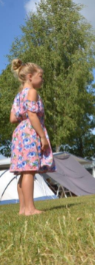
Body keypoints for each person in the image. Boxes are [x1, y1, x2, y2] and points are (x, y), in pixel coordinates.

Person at [9, 58, 55, 216]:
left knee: (23, 171)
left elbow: (13, 118)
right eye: (40, 76)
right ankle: (30, 209)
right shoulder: (32, 92)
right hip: (30, 131)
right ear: (30, 76)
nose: (42, 79)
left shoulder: (19, 96)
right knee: (29, 170)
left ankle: (22, 209)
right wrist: (42, 136)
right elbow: (32, 114)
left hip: (19, 132)